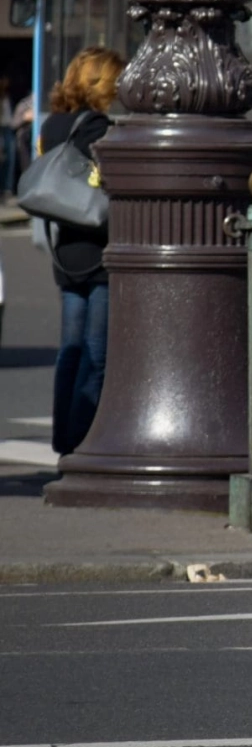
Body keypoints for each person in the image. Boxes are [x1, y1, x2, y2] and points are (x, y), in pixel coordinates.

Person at [37, 47, 124, 455]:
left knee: (69, 352)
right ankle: (81, 440)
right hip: (98, 246)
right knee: (96, 354)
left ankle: (62, 439)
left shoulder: (53, 124)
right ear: (102, 84)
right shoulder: (99, 129)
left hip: (65, 248)